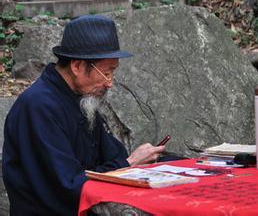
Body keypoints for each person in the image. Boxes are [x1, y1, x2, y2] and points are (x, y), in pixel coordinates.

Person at [2, 15, 169, 216]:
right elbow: (68, 186)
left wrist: (150, 160)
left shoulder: (80, 98)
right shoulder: (38, 106)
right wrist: (130, 162)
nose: (110, 83)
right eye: (107, 73)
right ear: (77, 66)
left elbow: (114, 156)